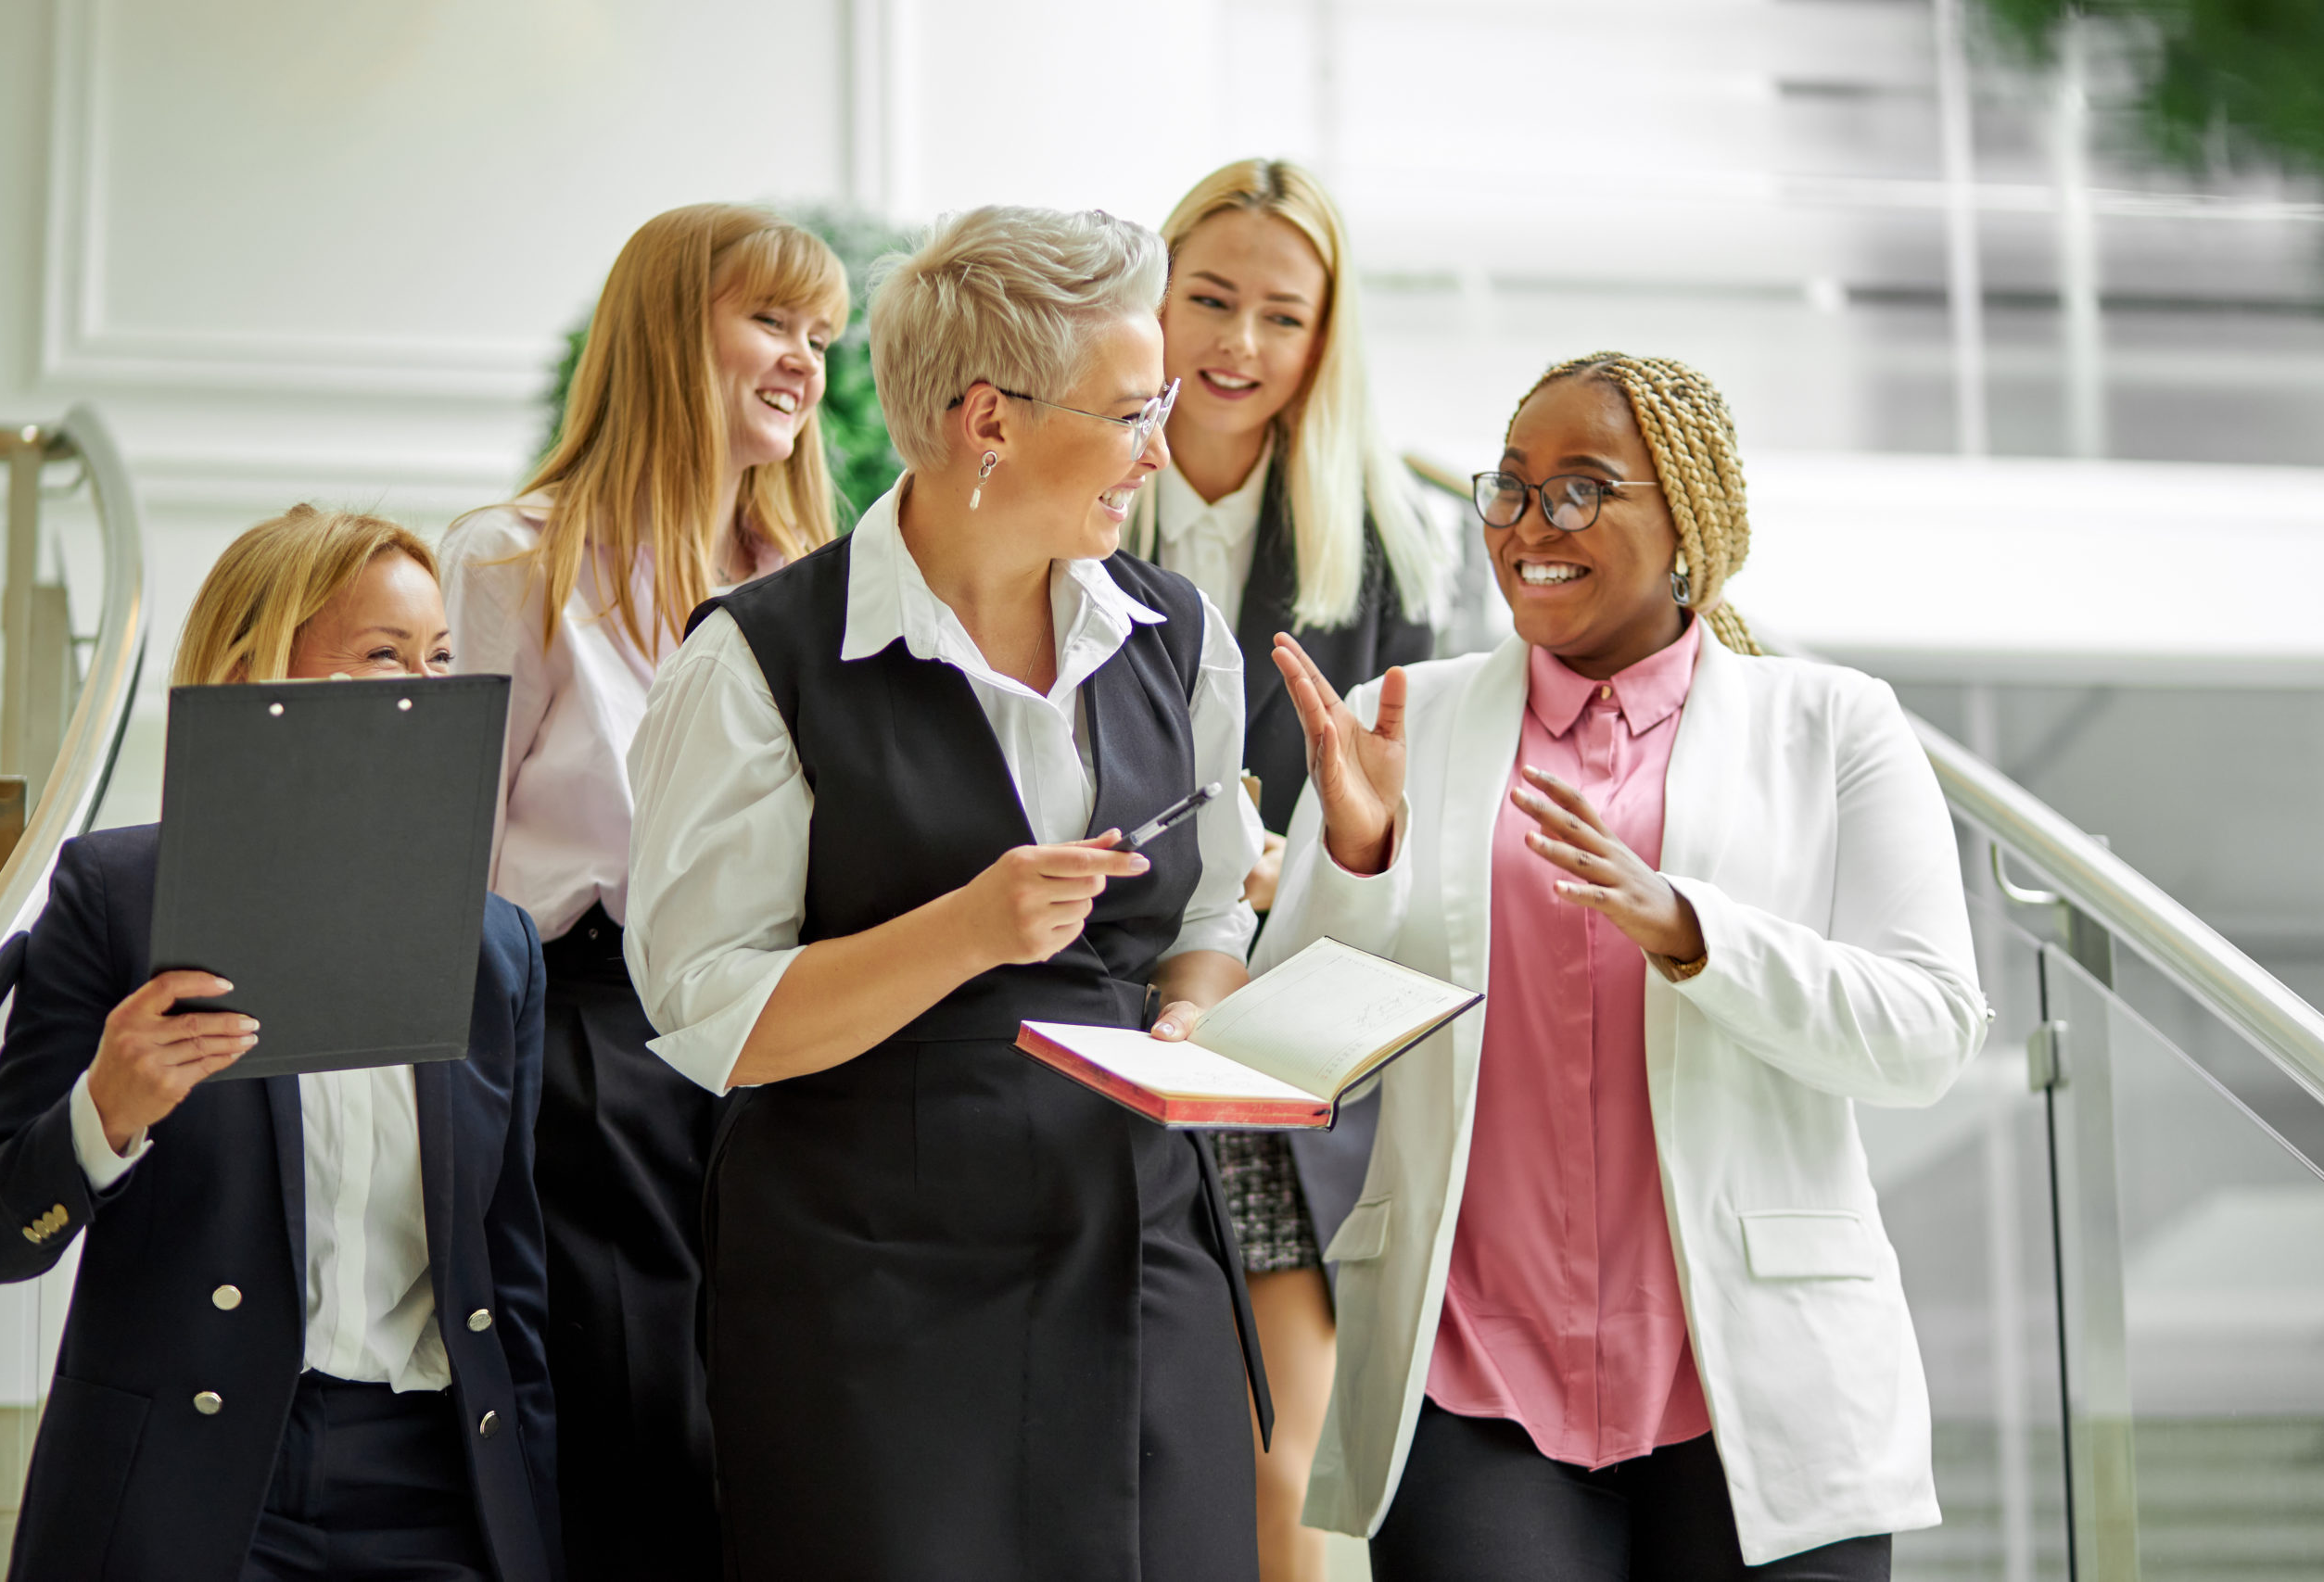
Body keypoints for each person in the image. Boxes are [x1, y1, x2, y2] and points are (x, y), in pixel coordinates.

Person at [1256, 353, 1989, 1579]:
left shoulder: (1834, 723)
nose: (1532, 524)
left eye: (1583, 488)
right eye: (1513, 486)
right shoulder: (1408, 718)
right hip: (1469, 1368)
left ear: (1688, 523)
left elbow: (1928, 1028)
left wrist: (1692, 929)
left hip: (1758, 1373)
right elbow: (1298, 1047)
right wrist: (1361, 847)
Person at [625, 205, 1269, 1582]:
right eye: (1130, 408)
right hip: (873, 1294)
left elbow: (1212, 912)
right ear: (991, 418)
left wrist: (1197, 1014)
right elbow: (711, 1018)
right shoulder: (756, 662)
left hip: (1142, 1253)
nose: (1160, 446)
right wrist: (966, 928)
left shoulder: (1179, 637)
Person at [0, 505, 556, 1582]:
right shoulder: (117, 900)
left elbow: (509, 1281)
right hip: (192, 1488)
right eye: (385, 657)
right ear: (252, 682)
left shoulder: (497, 946)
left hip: (437, 1492)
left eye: (440, 660)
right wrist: (105, 1115)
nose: (425, 695)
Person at [441, 203, 846, 1581]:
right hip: (585, 1037)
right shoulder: (515, 557)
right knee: (636, 1435)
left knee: (769, 1439)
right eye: (773, 321)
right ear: (675, 331)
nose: (806, 362)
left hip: (785, 1031)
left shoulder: (817, 580)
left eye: (822, 336)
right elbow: (451, 861)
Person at [1125, 157, 1442, 1582]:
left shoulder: (1381, 546)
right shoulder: (1065, 495)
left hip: (1276, 1018)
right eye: (1207, 299)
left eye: (1281, 316)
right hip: (1094, 987)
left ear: (1326, 340)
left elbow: (1404, 823)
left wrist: (1289, 860)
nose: (1237, 347)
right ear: (1153, 298)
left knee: (1290, 1452)